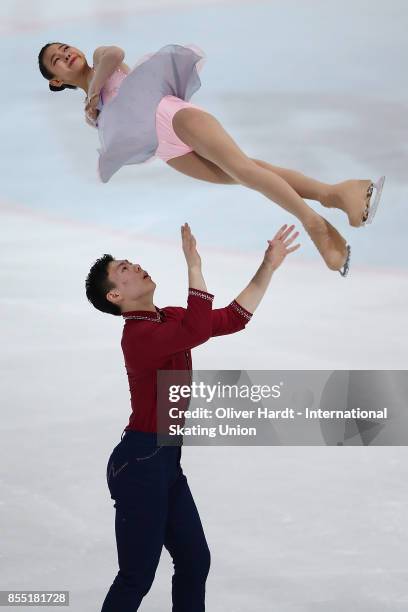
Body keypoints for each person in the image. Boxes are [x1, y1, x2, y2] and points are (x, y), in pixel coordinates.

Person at [85, 221, 300, 611]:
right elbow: (198, 330)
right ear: (116, 295)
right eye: (123, 269)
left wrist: (267, 266)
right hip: (141, 463)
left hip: (165, 459)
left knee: (194, 560)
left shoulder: (166, 318)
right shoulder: (139, 337)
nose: (135, 266)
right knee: (136, 577)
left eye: (130, 261)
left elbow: (231, 319)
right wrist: (194, 266)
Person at [38, 42, 386, 277]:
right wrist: (98, 114)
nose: (65, 54)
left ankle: (316, 225)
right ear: (56, 80)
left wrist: (96, 92)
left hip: (176, 117)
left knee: (247, 171)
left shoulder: (101, 61)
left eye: (65, 47)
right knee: (251, 172)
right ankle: (339, 194)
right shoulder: (92, 114)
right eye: (56, 59)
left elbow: (115, 54)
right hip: (169, 151)